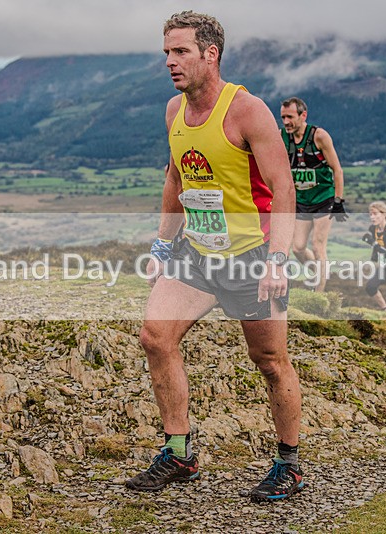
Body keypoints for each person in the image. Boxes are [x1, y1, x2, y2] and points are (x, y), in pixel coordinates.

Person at [126, 12, 302, 503]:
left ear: (210, 54)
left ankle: (288, 463)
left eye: (180, 51)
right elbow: (175, 182)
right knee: (155, 337)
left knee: (269, 360)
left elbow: (284, 188)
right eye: (166, 52)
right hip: (197, 253)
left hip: (251, 255)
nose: (169, 61)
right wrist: (162, 246)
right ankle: (179, 452)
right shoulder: (172, 112)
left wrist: (278, 259)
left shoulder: (248, 111)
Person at [280, 97, 347, 291]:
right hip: (301, 201)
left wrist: (338, 201)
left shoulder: (319, 136)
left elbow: (337, 169)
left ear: (303, 115)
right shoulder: (282, 137)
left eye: (290, 117)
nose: (286, 122)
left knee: (318, 246)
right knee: (298, 248)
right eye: (283, 117)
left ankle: (320, 293)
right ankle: (320, 274)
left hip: (323, 199)